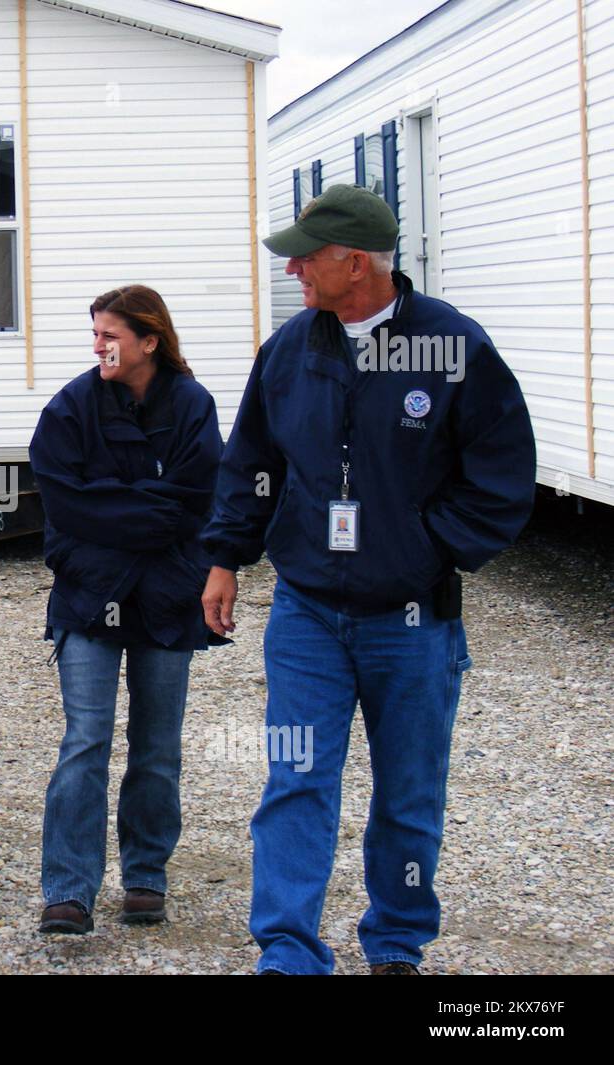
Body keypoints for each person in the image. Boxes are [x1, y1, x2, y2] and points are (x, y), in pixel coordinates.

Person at [199, 184, 536, 975]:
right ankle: (287, 949)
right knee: (295, 779)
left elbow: (503, 477)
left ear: (355, 262)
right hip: (307, 614)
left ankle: (396, 943)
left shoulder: (453, 347)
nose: (292, 268)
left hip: (414, 622)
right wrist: (225, 558)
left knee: (409, 794)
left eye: (307, 256)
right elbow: (251, 464)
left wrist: (424, 550)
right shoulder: (289, 350)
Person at [28, 285, 223, 935]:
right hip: (88, 596)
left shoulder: (193, 405)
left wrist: (110, 506)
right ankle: (68, 888)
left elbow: (193, 501)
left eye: (110, 334)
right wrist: (136, 513)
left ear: (149, 339)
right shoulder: (71, 408)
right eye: (94, 334)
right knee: (85, 740)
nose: (98, 345)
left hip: (168, 598)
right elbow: (62, 502)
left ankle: (145, 873)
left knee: (157, 746)